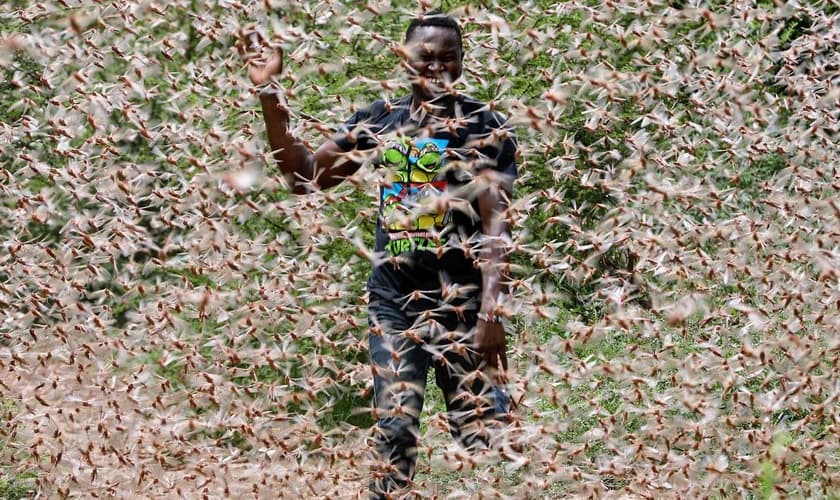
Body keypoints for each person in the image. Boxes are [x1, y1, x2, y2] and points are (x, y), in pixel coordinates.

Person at [241, 10, 517, 498]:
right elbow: (304, 176)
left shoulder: (486, 127)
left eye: (446, 59)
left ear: (462, 61)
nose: (435, 69)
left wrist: (493, 311)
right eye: (424, 59)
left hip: (464, 304)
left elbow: (498, 224)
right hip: (394, 303)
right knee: (394, 433)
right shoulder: (380, 121)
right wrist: (270, 91)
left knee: (486, 438)